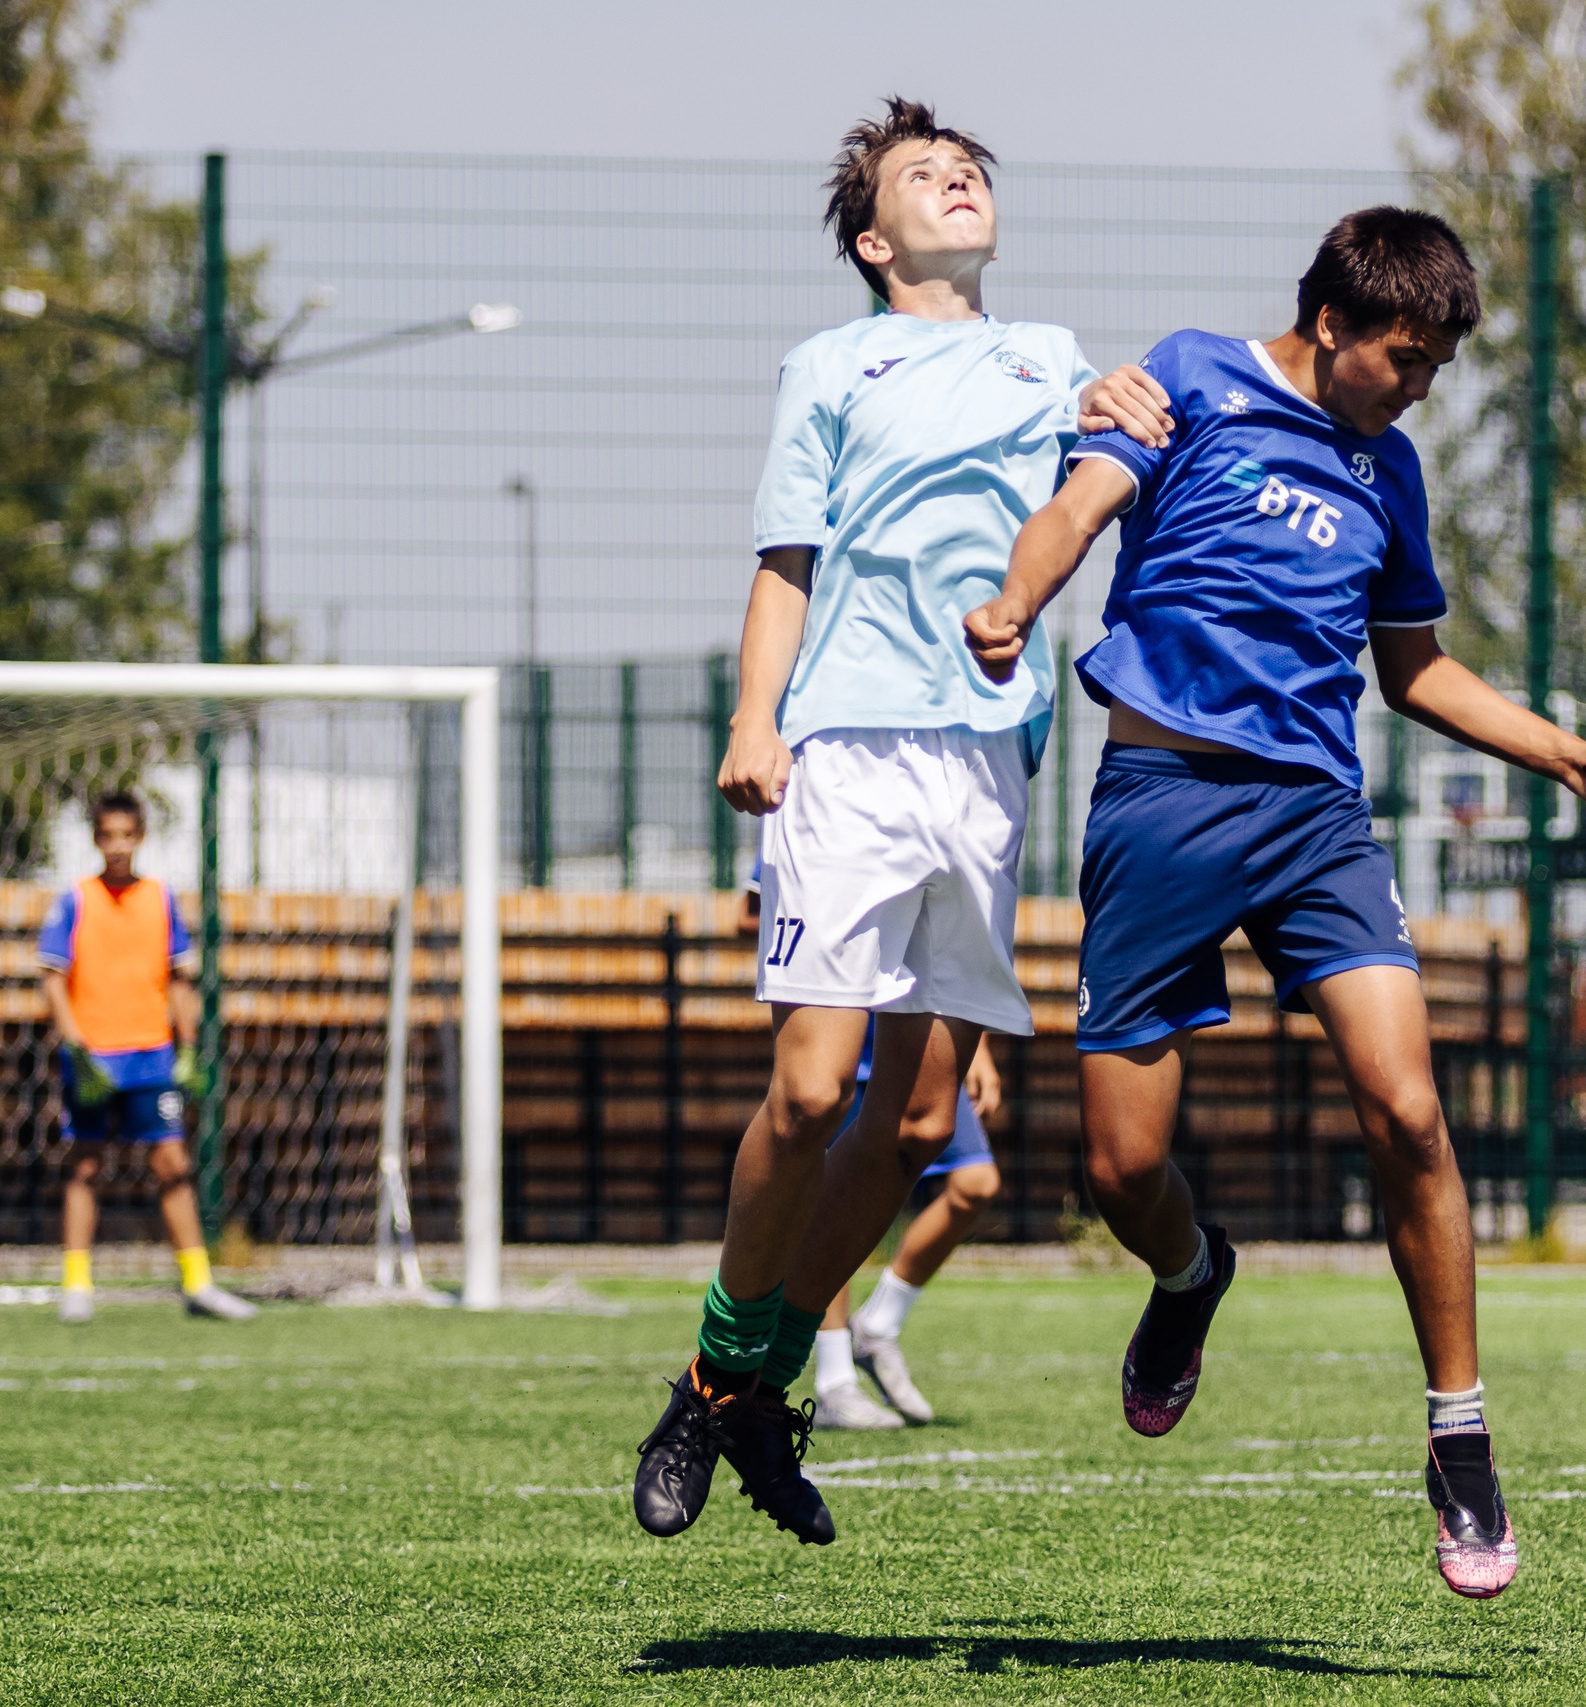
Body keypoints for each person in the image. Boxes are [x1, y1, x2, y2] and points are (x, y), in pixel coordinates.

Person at [965, 206, 1586, 1598]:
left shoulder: (1389, 470)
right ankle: (1190, 1274)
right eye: (1401, 360)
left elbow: (1414, 670)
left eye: (1436, 370)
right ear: (1332, 322)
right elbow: (1079, 507)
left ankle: (1458, 1433)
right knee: (1117, 1169)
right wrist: (1012, 602)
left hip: (1315, 820)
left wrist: (1563, 749)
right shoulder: (1192, 377)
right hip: (1162, 806)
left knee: (1408, 1106)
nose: (1416, 390)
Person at [632, 96, 1168, 1548]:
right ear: (875, 238)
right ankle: (711, 1370)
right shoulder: (831, 362)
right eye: (927, 173)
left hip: (987, 766)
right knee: (812, 1092)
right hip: (849, 750)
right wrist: (757, 720)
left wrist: (1133, 406)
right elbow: (785, 562)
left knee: (923, 1113)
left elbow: (1109, 479)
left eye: (973, 166)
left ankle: (756, 1382)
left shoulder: (1054, 361)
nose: (960, 178)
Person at [38, 791, 257, 1324]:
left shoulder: (160, 898)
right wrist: (75, 1045)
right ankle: (77, 1284)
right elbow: (52, 978)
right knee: (85, 1165)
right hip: (95, 1055)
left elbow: (178, 979)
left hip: (151, 1055)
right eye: (107, 835)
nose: (117, 846)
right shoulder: (76, 899)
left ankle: (199, 1283)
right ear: (96, 839)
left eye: (126, 835)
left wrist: (186, 1047)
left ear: (140, 838)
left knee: (172, 1164)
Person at [808, 1023, 1006, 1431]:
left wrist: (979, 1045)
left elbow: (963, 956)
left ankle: (878, 1325)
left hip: (927, 1042)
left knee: (976, 1183)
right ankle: (834, 1381)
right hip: (846, 1041)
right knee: (839, 1197)